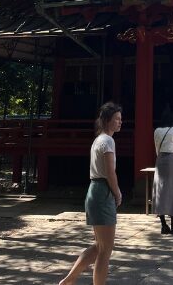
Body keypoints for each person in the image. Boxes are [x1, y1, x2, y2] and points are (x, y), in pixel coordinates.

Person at [59, 101, 123, 285]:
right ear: (107, 120)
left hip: (95, 191)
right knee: (106, 249)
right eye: (117, 119)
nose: (120, 122)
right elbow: (110, 172)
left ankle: (69, 280)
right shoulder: (108, 141)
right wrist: (117, 192)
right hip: (102, 192)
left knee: (99, 247)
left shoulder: (98, 140)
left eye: (120, 119)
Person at [154, 107, 173, 234]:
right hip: (171, 160)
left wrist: (160, 158)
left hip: (160, 160)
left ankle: (163, 225)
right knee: (172, 191)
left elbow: (156, 148)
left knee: (160, 190)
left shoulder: (157, 131)